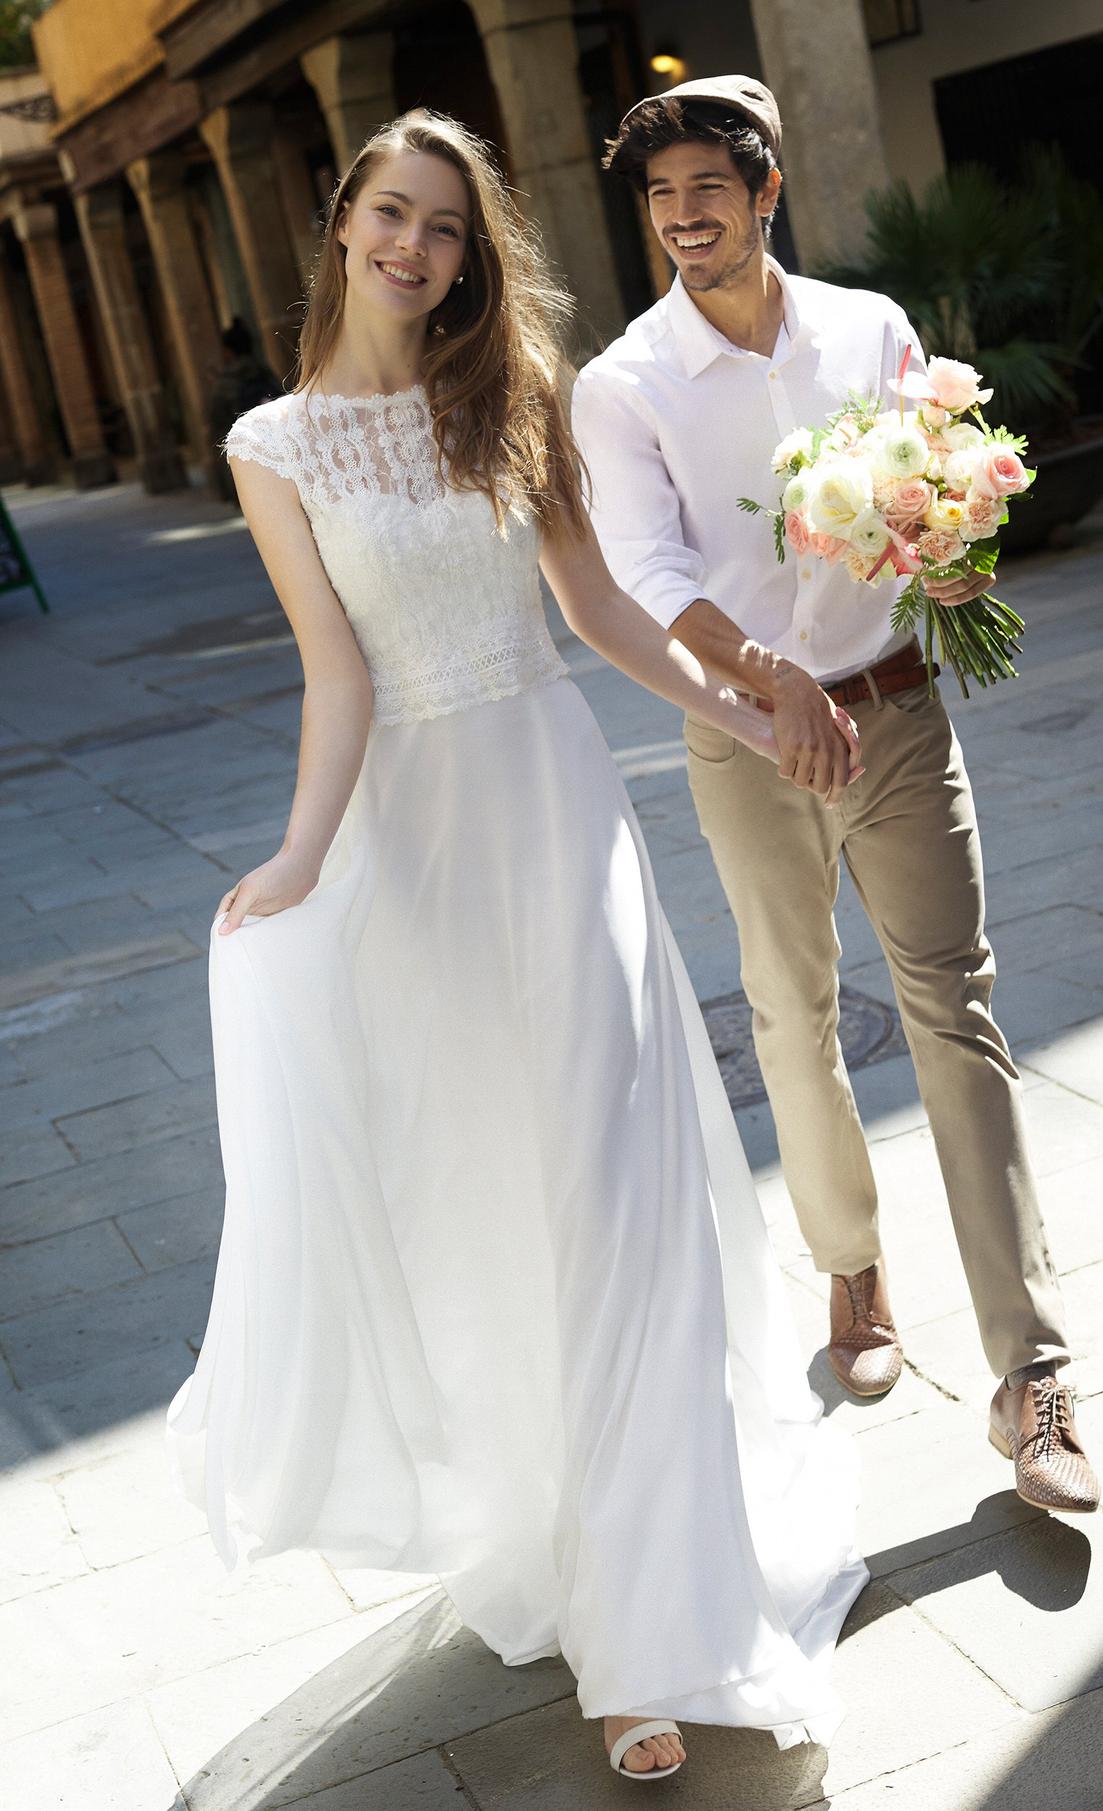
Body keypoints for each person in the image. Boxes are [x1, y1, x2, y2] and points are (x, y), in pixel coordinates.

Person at [166, 108, 871, 1784]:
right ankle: (570, 1546)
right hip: (416, 850)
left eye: (450, 228)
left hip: (558, 826)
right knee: (498, 1213)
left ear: (473, 253)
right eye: (394, 216)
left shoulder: (514, 398)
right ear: (342, 226)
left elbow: (602, 612)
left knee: (623, 1198)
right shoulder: (273, 446)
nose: (420, 248)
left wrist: (746, 709)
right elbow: (337, 676)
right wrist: (297, 859)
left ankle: (648, 1636)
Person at [573, 76, 1100, 1516]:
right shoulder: (624, 384)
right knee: (790, 1010)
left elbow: (939, 483)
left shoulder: (871, 332)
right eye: (661, 198)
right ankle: (853, 1272)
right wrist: (765, 679)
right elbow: (645, 574)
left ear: (767, 191)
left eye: (708, 191)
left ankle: (1031, 1369)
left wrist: (959, 552)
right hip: (746, 741)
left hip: (897, 721)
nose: (685, 219)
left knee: (954, 1008)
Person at [207, 317, 281, 504]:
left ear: (228, 352)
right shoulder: (266, 374)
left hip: (246, 467)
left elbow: (218, 430)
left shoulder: (225, 383)